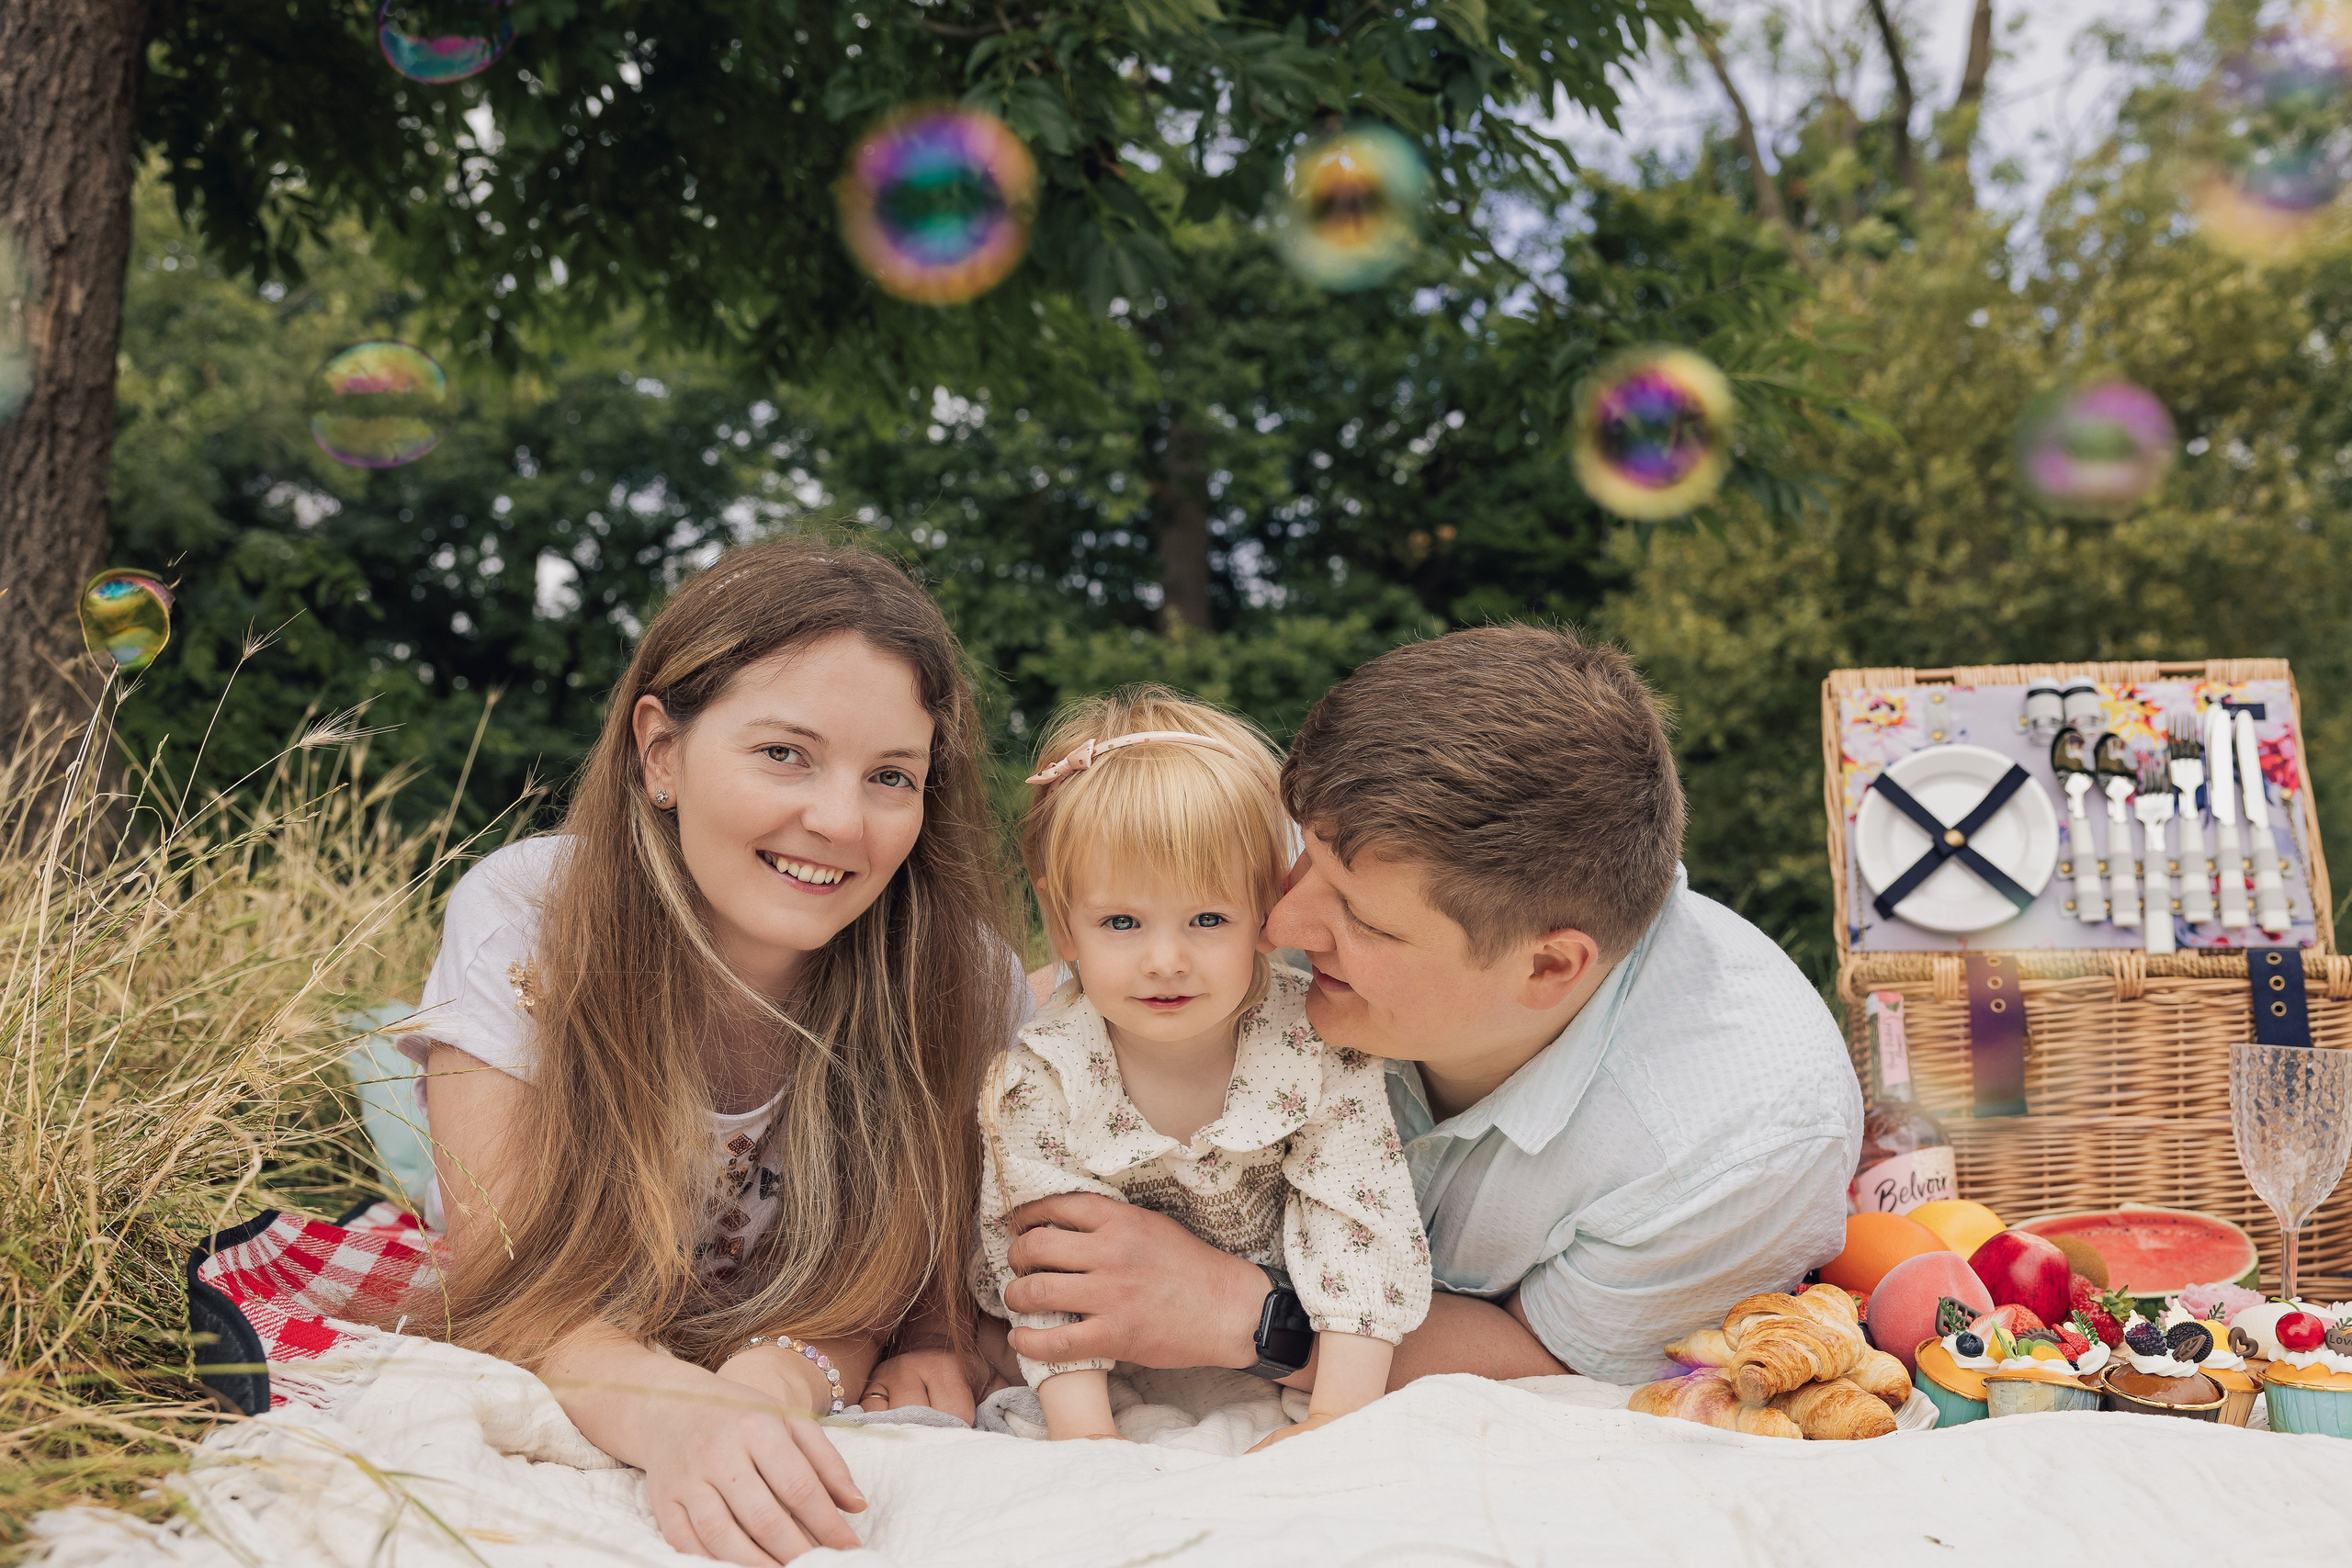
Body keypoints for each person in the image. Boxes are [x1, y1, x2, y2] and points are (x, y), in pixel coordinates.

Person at [989, 626, 1862, 1391]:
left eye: (1360, 919)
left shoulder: (1735, 1149)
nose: (1279, 925)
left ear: (1548, 966)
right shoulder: (1377, 851)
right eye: (1303, 861)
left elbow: (1546, 1360)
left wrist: (1238, 1313)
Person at [396, 539, 1023, 1566]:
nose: (837, 821)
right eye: (784, 753)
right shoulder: (529, 913)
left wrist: (781, 1377)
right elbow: (512, 1293)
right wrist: (672, 1413)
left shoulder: (964, 982)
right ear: (660, 752)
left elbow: (890, 1286)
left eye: (891, 777)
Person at [973, 689, 1430, 1447]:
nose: (1164, 960)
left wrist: (1337, 1415)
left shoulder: (1313, 1046)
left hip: (1295, 1348)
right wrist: (1087, 1435)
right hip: (1098, 1362)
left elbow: (1358, 1218)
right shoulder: (1044, 1075)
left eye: (1207, 918)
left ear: (1265, 908)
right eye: (1121, 921)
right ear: (1062, 921)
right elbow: (1052, 1257)